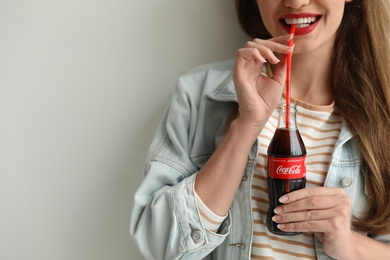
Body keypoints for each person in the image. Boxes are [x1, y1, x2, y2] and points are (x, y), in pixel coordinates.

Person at [130, 0, 390, 259]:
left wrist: (349, 245)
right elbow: (160, 247)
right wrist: (246, 125)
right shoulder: (198, 94)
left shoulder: (384, 111)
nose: (296, 2)